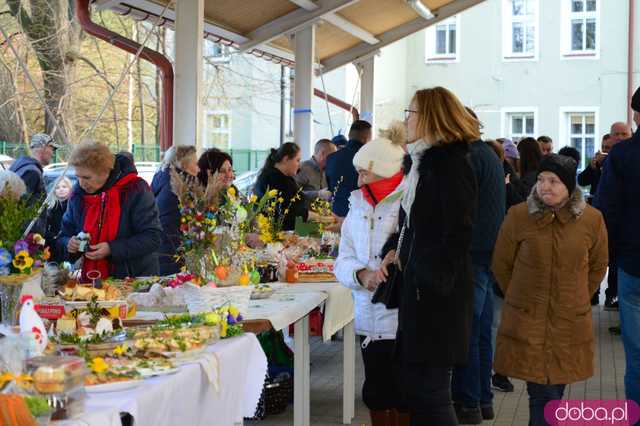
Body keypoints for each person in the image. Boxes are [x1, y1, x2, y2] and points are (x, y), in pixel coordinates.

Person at [379, 87, 478, 425]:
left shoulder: (450, 166)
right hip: (419, 290)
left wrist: (429, 276)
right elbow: (414, 225)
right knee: (417, 389)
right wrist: (393, 249)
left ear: (430, 118)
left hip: (438, 296)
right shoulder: (420, 164)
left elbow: (458, 234)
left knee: (432, 394)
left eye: (411, 112)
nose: (405, 119)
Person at [492, 154, 608, 426]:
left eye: (553, 181)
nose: (545, 186)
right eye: (542, 180)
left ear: (569, 186)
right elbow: (501, 264)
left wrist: (578, 295)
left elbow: (598, 265)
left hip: (570, 321)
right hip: (529, 320)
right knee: (541, 393)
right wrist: (521, 297)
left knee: (555, 390)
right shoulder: (519, 215)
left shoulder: (591, 219)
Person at [335, 125, 407, 426]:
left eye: (364, 172)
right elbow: (343, 258)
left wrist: (397, 262)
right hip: (368, 315)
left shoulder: (410, 202)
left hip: (403, 316)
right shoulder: (357, 203)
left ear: (384, 172)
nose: (358, 178)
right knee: (376, 393)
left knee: (405, 393)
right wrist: (361, 274)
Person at [452, 126, 505, 423]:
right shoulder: (487, 154)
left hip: (471, 254)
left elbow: (462, 210)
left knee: (468, 334)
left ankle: (469, 402)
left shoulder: (469, 157)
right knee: (482, 332)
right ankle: (483, 400)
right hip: (486, 253)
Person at [594, 87, 640, 408]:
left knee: (637, 356)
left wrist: (611, 256)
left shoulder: (622, 156)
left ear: (636, 116)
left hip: (633, 264)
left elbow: (605, 211)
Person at [58, 140, 162, 280]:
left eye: (87, 177)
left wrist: (112, 248)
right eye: (78, 177)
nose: (81, 183)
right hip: (91, 280)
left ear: (106, 171)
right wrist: (69, 244)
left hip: (133, 280)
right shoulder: (78, 194)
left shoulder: (136, 189)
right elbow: (64, 234)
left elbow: (153, 237)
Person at [151, 146, 199, 275]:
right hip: (172, 249)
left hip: (162, 247)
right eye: (195, 163)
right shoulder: (178, 187)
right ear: (184, 165)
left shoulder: (162, 178)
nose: (198, 168)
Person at [254, 143, 308, 231]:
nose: (299, 165)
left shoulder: (284, 178)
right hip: (273, 233)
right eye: (297, 160)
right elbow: (286, 212)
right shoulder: (274, 179)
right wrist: (316, 217)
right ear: (286, 159)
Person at [325, 120, 373, 218]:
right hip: (358, 215)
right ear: (365, 139)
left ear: (349, 136)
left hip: (335, 214)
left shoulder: (331, 158)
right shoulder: (369, 160)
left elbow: (330, 189)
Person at [10, 133, 59, 203]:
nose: (53, 154)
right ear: (43, 147)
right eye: (52, 149)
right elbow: (21, 206)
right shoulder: (31, 172)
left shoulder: (20, 165)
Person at [294, 139, 336, 204]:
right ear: (322, 153)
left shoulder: (327, 170)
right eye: (333, 156)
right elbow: (294, 194)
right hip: (306, 212)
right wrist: (318, 194)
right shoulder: (302, 168)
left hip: (323, 212)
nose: (335, 159)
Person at [44, 176, 73, 263]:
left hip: (71, 243)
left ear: (70, 188)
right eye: (57, 187)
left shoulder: (74, 205)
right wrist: (52, 236)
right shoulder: (51, 207)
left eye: (64, 187)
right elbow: (44, 227)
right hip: (54, 246)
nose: (61, 189)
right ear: (54, 190)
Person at [578, 134, 611, 199]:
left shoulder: (618, 162)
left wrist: (605, 163)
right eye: (602, 147)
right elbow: (581, 181)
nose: (604, 150)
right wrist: (591, 167)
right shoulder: (598, 162)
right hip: (595, 202)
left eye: (607, 148)